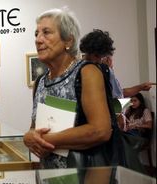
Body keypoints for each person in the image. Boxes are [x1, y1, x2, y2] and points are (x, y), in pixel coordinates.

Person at [23, 8, 113, 169]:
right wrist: (28, 137)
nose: (38, 39)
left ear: (68, 41)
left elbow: (100, 130)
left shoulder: (87, 72)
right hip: (50, 180)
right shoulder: (40, 82)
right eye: (36, 34)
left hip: (84, 181)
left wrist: (47, 140)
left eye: (46, 32)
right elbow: (34, 128)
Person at [79, 29, 155, 98]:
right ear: (87, 51)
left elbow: (119, 94)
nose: (99, 60)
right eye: (96, 56)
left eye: (102, 57)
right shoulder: (75, 69)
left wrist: (140, 87)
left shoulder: (105, 70)